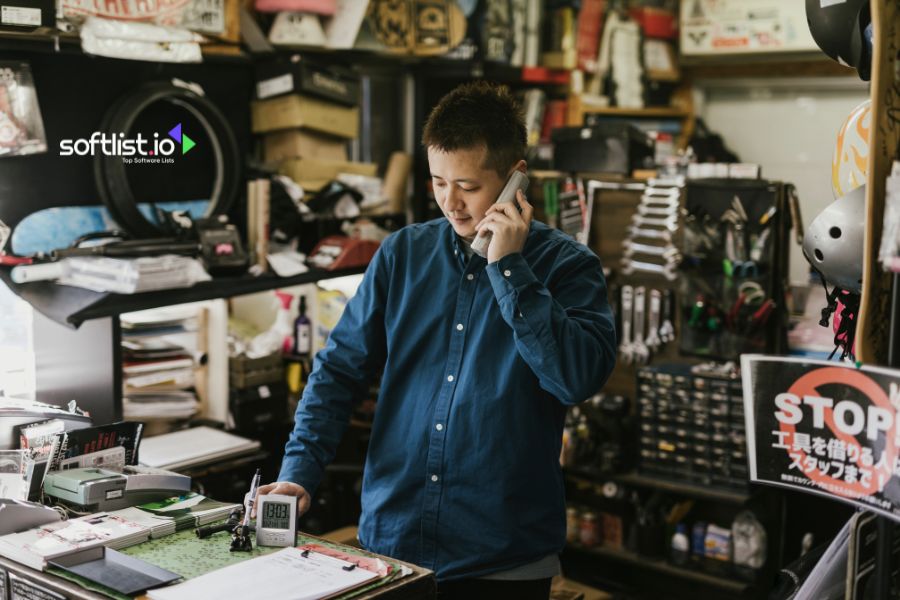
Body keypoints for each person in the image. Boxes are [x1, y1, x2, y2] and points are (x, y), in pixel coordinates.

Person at [257, 81, 617, 599]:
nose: (451, 202)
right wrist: (299, 473)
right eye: (437, 181)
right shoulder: (402, 254)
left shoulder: (568, 267)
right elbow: (338, 373)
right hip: (392, 545)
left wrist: (510, 269)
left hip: (502, 559)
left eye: (468, 186)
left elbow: (575, 380)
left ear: (516, 176)